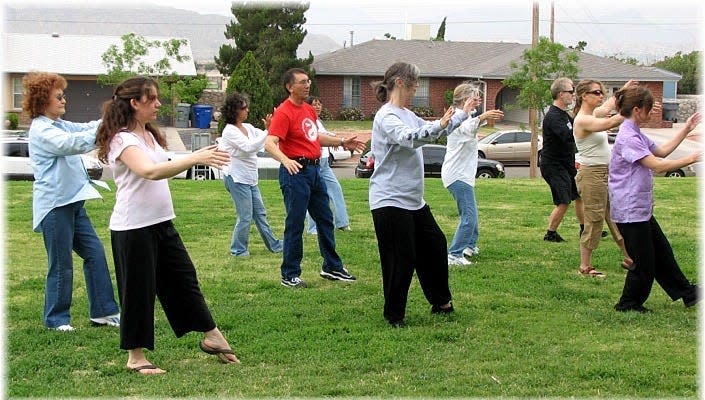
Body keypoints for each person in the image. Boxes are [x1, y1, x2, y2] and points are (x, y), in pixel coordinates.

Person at [95, 76, 238, 374]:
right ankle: (136, 358)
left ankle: (212, 336)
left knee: (184, 278)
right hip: (132, 228)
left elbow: (164, 163)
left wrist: (196, 157)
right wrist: (196, 157)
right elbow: (149, 171)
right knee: (138, 291)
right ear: (134, 103)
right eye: (152, 99)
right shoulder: (123, 139)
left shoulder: (149, 134)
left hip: (161, 223)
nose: (159, 104)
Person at [369, 62, 475, 327]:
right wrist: (439, 123)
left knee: (435, 245)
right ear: (401, 82)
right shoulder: (387, 116)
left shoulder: (406, 113)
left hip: (413, 202)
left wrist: (462, 114)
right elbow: (411, 138)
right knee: (399, 258)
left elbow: (435, 130)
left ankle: (441, 303)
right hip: (389, 200)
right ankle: (394, 316)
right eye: (415, 82)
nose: (417, 87)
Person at [23, 71, 120, 332]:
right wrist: (108, 126)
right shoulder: (43, 130)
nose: (64, 100)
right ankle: (56, 320)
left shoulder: (59, 124)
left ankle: (104, 312)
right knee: (61, 263)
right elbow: (73, 143)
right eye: (59, 97)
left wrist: (112, 117)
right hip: (55, 207)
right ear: (43, 101)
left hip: (74, 202)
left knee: (95, 253)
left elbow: (86, 128)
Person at [264, 68, 365, 288]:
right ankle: (289, 274)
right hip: (295, 172)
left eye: (308, 81)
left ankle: (332, 267)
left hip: (314, 170)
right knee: (295, 224)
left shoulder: (308, 110)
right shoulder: (284, 112)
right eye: (302, 82)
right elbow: (270, 143)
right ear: (290, 87)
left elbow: (313, 137)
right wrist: (285, 160)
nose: (307, 85)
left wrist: (340, 142)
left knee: (325, 219)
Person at [608, 85, 700, 312]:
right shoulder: (628, 137)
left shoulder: (636, 132)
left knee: (662, 252)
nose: (651, 114)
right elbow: (656, 165)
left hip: (640, 208)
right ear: (638, 110)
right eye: (649, 109)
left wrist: (686, 129)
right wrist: (692, 158)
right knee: (644, 263)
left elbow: (662, 151)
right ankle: (628, 303)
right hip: (629, 210)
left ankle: (688, 293)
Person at [573, 79, 636, 277]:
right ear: (584, 95)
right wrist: (633, 109)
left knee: (616, 217)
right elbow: (610, 122)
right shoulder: (582, 119)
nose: (601, 96)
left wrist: (624, 90)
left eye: (602, 92)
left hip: (604, 173)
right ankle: (585, 267)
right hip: (592, 174)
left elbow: (609, 105)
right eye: (597, 92)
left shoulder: (592, 114)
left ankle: (629, 258)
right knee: (594, 219)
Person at [441, 83, 503, 266]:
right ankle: (454, 254)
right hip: (457, 176)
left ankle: (469, 245)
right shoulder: (455, 118)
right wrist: (483, 117)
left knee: (471, 214)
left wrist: (481, 118)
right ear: (465, 99)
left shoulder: (467, 117)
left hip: (462, 175)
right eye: (475, 98)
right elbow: (466, 128)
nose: (479, 101)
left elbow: (471, 125)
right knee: (469, 216)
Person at [218, 92, 283, 256]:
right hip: (236, 178)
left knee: (260, 214)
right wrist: (267, 131)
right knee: (245, 216)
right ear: (234, 111)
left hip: (250, 179)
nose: (247, 110)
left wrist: (272, 127)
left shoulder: (247, 127)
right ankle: (238, 250)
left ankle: (274, 245)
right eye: (243, 108)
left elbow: (261, 141)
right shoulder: (229, 131)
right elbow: (249, 147)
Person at [540, 77, 584, 243]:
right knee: (564, 201)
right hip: (553, 166)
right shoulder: (554, 117)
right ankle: (550, 233)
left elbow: (576, 128)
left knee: (579, 197)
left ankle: (584, 229)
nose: (573, 95)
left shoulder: (564, 115)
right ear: (560, 94)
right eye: (571, 92)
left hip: (566, 165)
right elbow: (569, 136)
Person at [304, 96, 351, 234]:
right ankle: (313, 228)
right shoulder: (307, 121)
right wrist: (337, 140)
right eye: (314, 104)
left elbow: (325, 134)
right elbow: (318, 136)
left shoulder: (318, 121)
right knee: (313, 195)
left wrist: (335, 140)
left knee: (336, 189)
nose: (318, 106)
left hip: (324, 164)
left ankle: (342, 223)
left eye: (319, 104)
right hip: (313, 163)